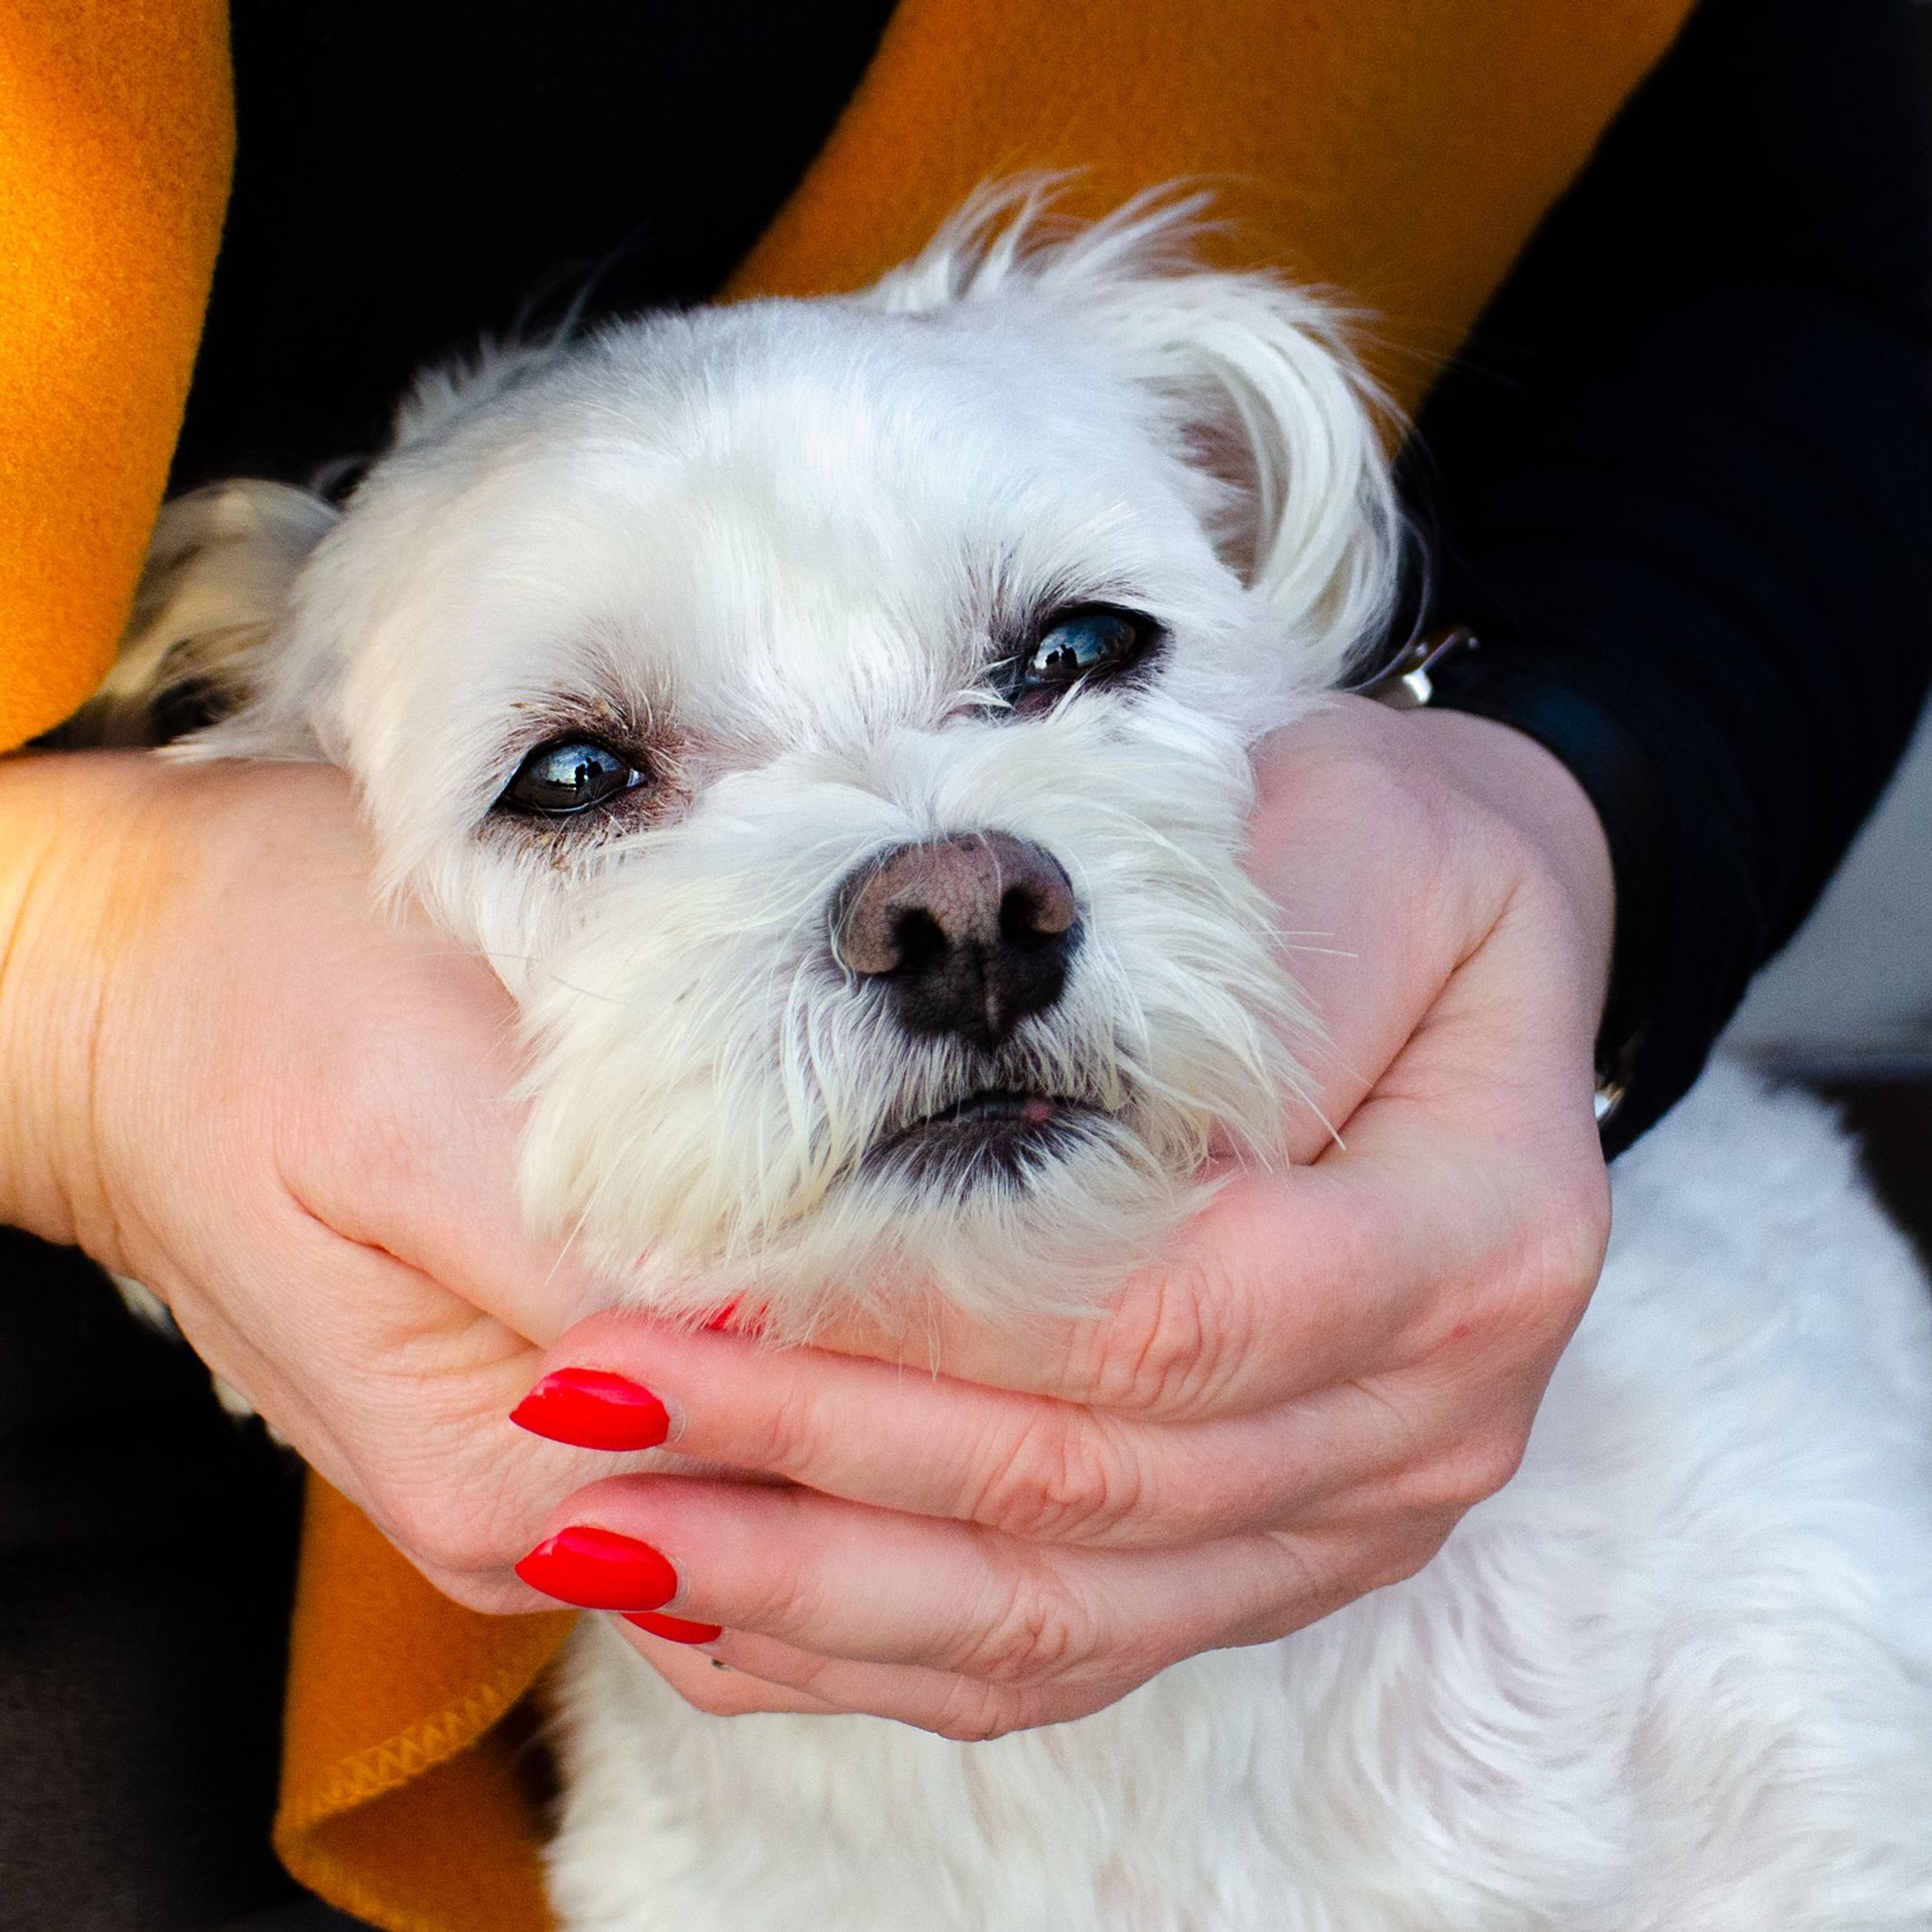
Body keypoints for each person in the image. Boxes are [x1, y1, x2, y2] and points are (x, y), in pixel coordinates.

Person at [2, 0, 1927, 1925]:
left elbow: (1806, 243)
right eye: (583, 779)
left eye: (1075, 655)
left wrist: (1569, 795)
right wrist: (71, 986)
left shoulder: (1758, 1594)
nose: (948, 893)